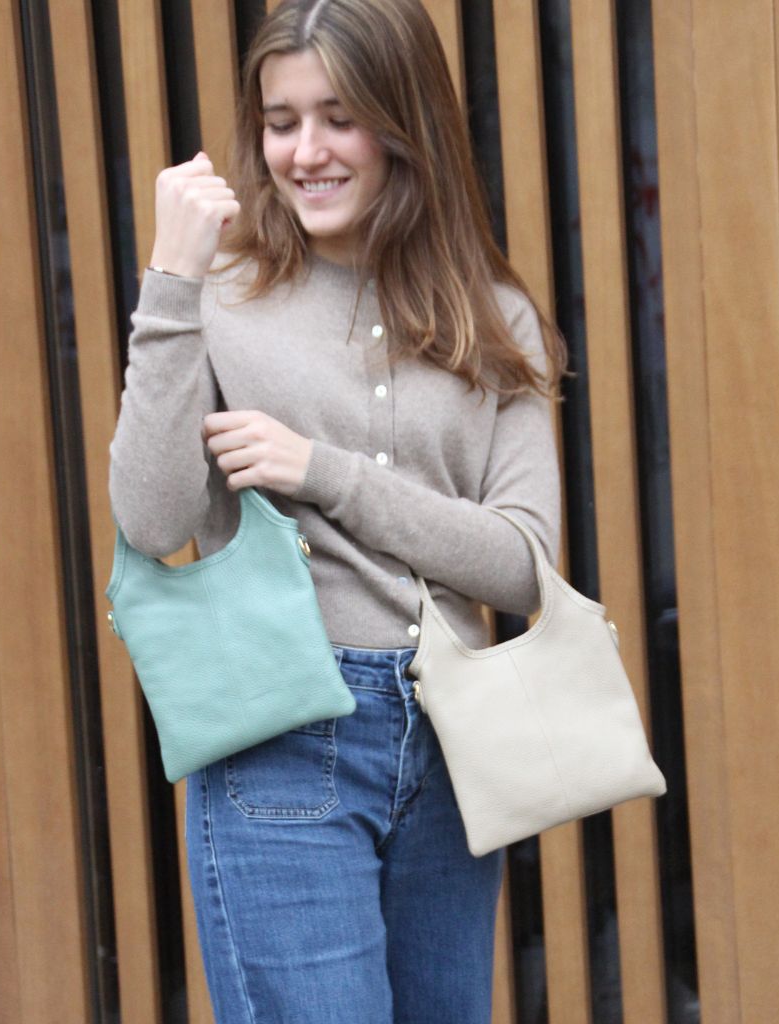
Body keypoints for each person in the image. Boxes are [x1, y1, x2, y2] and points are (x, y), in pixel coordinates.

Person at [109, 0, 566, 1020]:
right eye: (280, 122)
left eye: (338, 117)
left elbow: (524, 566)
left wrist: (325, 472)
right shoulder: (217, 294)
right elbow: (150, 517)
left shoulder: (493, 316)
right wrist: (171, 278)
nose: (304, 152)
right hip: (284, 733)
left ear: (405, 123)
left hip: (454, 745)